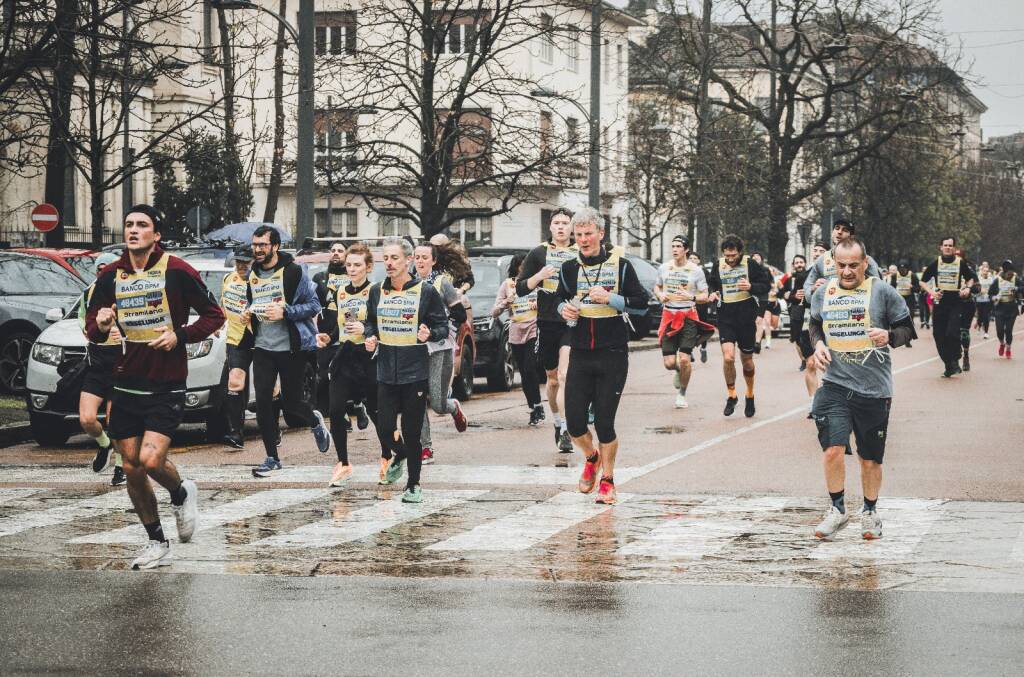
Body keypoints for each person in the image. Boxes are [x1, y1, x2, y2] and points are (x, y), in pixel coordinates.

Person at [84, 204, 225, 569]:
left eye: (142, 225)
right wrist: (100, 324)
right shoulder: (111, 275)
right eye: (129, 224)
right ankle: (156, 541)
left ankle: (181, 492)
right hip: (126, 381)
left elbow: (214, 315)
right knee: (130, 466)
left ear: (156, 234)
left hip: (167, 381)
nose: (133, 230)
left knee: (150, 460)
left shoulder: (176, 270)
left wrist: (179, 336)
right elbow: (91, 326)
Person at [808, 238, 916, 540]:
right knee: (833, 449)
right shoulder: (824, 292)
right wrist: (817, 345)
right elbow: (814, 324)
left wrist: (890, 335)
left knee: (870, 459)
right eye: (841, 265)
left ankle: (869, 511)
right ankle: (838, 509)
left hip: (873, 389)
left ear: (864, 263)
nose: (846, 271)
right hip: (834, 385)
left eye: (853, 265)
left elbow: (908, 330)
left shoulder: (882, 292)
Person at [556, 207, 648, 505]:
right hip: (581, 352)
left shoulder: (621, 266)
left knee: (605, 423)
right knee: (574, 424)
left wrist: (611, 299)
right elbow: (558, 299)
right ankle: (591, 456)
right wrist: (564, 309)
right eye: (578, 235)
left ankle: (607, 479)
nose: (583, 240)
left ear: (601, 234)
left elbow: (642, 304)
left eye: (588, 234)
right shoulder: (569, 268)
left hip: (612, 352)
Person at [363, 237, 450, 503]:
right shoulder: (377, 291)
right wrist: (370, 336)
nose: (388, 263)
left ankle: (413, 484)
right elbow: (370, 323)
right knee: (385, 427)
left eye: (394, 258)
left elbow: (443, 327)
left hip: (415, 373)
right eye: (386, 258)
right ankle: (398, 453)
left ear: (408, 261)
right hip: (386, 372)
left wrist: (430, 333)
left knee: (412, 432)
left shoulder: (425, 291)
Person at [245, 225, 332, 477]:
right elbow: (254, 303)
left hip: (291, 347)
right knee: (262, 402)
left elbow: (314, 305)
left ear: (275, 246)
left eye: (262, 245)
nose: (257, 250)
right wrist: (247, 313)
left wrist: (286, 312)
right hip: (262, 346)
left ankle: (314, 420)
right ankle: (272, 457)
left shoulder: (293, 272)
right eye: (255, 245)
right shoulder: (253, 272)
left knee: (292, 403)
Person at [315, 244, 396, 486]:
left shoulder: (377, 290)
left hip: (369, 357)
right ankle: (343, 463)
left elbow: (381, 322)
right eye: (349, 265)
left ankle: (386, 456)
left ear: (369, 267)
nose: (351, 269)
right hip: (345, 354)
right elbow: (345, 321)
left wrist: (369, 332)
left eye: (357, 265)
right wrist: (330, 335)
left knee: (375, 410)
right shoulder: (341, 292)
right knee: (336, 408)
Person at [516, 207, 577, 452]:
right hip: (547, 320)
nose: (561, 227)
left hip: (572, 321)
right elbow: (520, 288)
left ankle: (566, 431)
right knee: (552, 379)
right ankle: (557, 421)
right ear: (550, 227)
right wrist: (539, 275)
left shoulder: (579, 252)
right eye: (557, 223)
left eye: (565, 223)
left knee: (564, 375)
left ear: (571, 227)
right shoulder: (538, 253)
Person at [414, 243, 469, 465]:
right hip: (415, 347)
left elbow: (460, 314)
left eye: (424, 257)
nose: (419, 261)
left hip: (440, 346)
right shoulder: (407, 283)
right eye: (416, 257)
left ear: (433, 261)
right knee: (416, 399)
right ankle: (425, 448)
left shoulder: (441, 283)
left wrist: (440, 327)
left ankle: (453, 406)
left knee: (437, 403)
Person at [706, 234, 773, 418]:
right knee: (728, 358)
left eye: (733, 256)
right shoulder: (718, 264)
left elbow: (766, 285)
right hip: (726, 317)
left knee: (747, 362)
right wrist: (714, 293)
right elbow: (712, 283)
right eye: (727, 256)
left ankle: (749, 395)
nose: (730, 259)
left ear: (740, 252)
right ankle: (732, 395)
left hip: (745, 318)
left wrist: (751, 286)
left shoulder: (750, 264)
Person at [79, 252, 125, 485]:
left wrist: (122, 334)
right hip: (97, 361)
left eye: (108, 269)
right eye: (100, 269)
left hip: (120, 362)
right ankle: (104, 446)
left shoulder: (125, 291)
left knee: (114, 419)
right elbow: (83, 323)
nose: (103, 274)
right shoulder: (89, 294)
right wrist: (96, 330)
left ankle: (120, 467)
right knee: (87, 418)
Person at [653, 235, 712, 409]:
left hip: (688, 317)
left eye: (678, 246)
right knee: (669, 363)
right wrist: (660, 294)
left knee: (685, 359)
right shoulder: (664, 268)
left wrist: (691, 297)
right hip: (669, 316)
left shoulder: (696, 270)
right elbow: (657, 286)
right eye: (673, 246)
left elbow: (705, 295)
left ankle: (682, 394)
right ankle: (679, 370)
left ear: (686, 249)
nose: (675, 249)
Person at [492, 254, 544, 425]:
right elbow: (494, 312)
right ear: (515, 267)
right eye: (521, 266)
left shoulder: (537, 283)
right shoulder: (507, 285)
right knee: (522, 372)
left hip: (533, 327)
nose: (524, 269)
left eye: (526, 265)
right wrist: (507, 302)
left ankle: (538, 405)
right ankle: (532, 407)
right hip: (516, 330)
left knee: (530, 368)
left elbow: (549, 302)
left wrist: (540, 304)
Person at [919, 236, 978, 378]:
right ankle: (948, 365)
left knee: (952, 333)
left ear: (954, 248)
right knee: (938, 335)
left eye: (950, 245)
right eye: (945, 245)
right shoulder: (936, 263)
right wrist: (932, 292)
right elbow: (922, 281)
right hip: (940, 302)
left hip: (955, 302)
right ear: (940, 247)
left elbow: (970, 278)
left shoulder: (960, 263)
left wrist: (968, 289)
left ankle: (955, 359)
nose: (948, 247)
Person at [220, 246, 256, 450]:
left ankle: (273, 428)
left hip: (260, 338)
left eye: (246, 262)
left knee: (269, 387)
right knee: (234, 382)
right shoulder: (228, 279)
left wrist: (252, 313)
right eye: (238, 262)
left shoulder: (260, 280)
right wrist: (218, 323)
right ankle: (236, 432)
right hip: (236, 338)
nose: (242, 266)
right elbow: (223, 305)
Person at [802, 219, 882, 301]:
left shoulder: (863, 259)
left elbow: (878, 287)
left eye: (845, 230)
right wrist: (813, 289)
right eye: (837, 228)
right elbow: (807, 287)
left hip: (856, 308)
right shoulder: (822, 260)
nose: (839, 232)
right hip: (830, 309)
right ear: (832, 233)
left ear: (851, 237)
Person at [990, 260, 1022, 358]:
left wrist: (1017, 289)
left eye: (1012, 273)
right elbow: (990, 293)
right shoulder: (997, 280)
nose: (1010, 275)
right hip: (1000, 308)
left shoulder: (1015, 279)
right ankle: (1002, 343)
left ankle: (1008, 348)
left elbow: (1022, 286)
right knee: (999, 331)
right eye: (1009, 273)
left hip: (1012, 308)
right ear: (1004, 272)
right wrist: (994, 297)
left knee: (1008, 330)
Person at [689, 252, 713, 363]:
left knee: (703, 327)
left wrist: (709, 297)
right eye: (690, 258)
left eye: (695, 258)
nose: (692, 260)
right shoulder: (685, 271)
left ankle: (703, 348)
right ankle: (689, 351)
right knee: (690, 327)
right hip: (689, 304)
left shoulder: (704, 272)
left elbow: (709, 287)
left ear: (699, 261)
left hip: (702, 303)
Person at [974, 261, 995, 339]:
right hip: (979, 300)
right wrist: (979, 291)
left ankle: (986, 332)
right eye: (984, 271)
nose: (986, 272)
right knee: (980, 316)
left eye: (987, 271)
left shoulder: (991, 279)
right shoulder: (978, 279)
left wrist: (992, 294)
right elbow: (975, 290)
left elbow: (994, 289)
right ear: (982, 271)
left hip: (987, 301)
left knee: (986, 316)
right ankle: (979, 325)